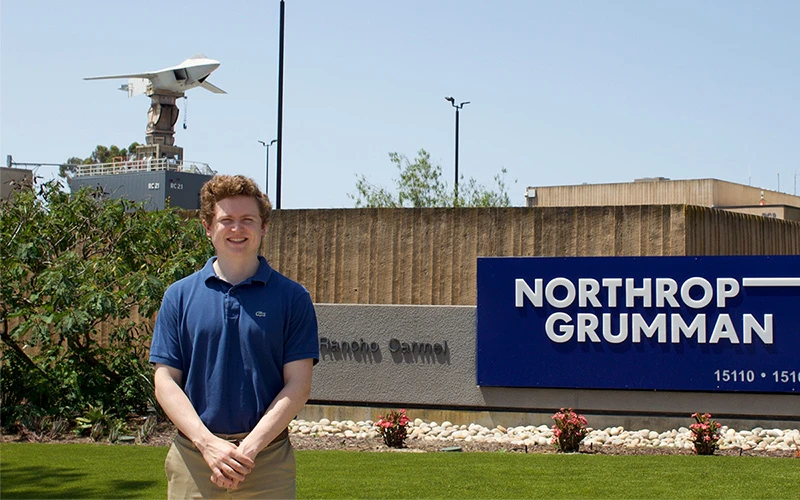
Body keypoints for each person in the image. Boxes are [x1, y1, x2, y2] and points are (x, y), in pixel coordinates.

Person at [150, 174, 319, 499]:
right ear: (208, 226)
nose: (237, 229)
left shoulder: (293, 299)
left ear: (263, 227)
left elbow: (298, 385)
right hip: (194, 459)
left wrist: (249, 449)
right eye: (226, 220)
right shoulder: (178, 297)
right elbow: (165, 381)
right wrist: (208, 444)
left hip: (267, 461)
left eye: (247, 220)